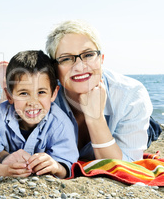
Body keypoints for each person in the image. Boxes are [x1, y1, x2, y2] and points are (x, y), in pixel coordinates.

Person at [45, 20, 160, 162]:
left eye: (88, 55)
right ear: (54, 68)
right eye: (67, 58)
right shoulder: (44, 95)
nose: (80, 67)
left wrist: (95, 118)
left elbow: (126, 164)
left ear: (101, 59)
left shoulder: (131, 94)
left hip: (122, 125)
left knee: (150, 130)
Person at [0, 50, 78, 179]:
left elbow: (68, 164)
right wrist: (3, 170)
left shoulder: (60, 123)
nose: (33, 102)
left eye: (41, 92)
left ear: (54, 94)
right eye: (23, 93)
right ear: (9, 96)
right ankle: (1, 80)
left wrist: (56, 166)